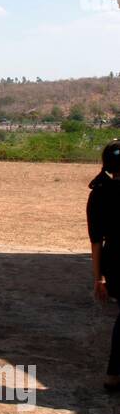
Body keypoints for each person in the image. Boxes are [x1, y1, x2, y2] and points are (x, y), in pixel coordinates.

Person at [87, 140, 120, 390]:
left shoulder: (98, 192)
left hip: (114, 261)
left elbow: (96, 241)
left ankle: (113, 374)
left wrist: (99, 278)